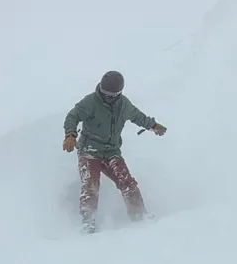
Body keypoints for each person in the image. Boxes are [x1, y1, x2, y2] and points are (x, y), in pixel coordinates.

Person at [62, 70, 167, 232]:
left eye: (112, 95)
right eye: (105, 94)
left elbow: (137, 116)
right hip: (89, 150)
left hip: (112, 151)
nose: (107, 98)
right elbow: (72, 116)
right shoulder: (90, 102)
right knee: (90, 185)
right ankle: (88, 220)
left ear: (119, 94)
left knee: (127, 182)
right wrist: (70, 135)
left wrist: (153, 126)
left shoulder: (124, 104)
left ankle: (139, 215)